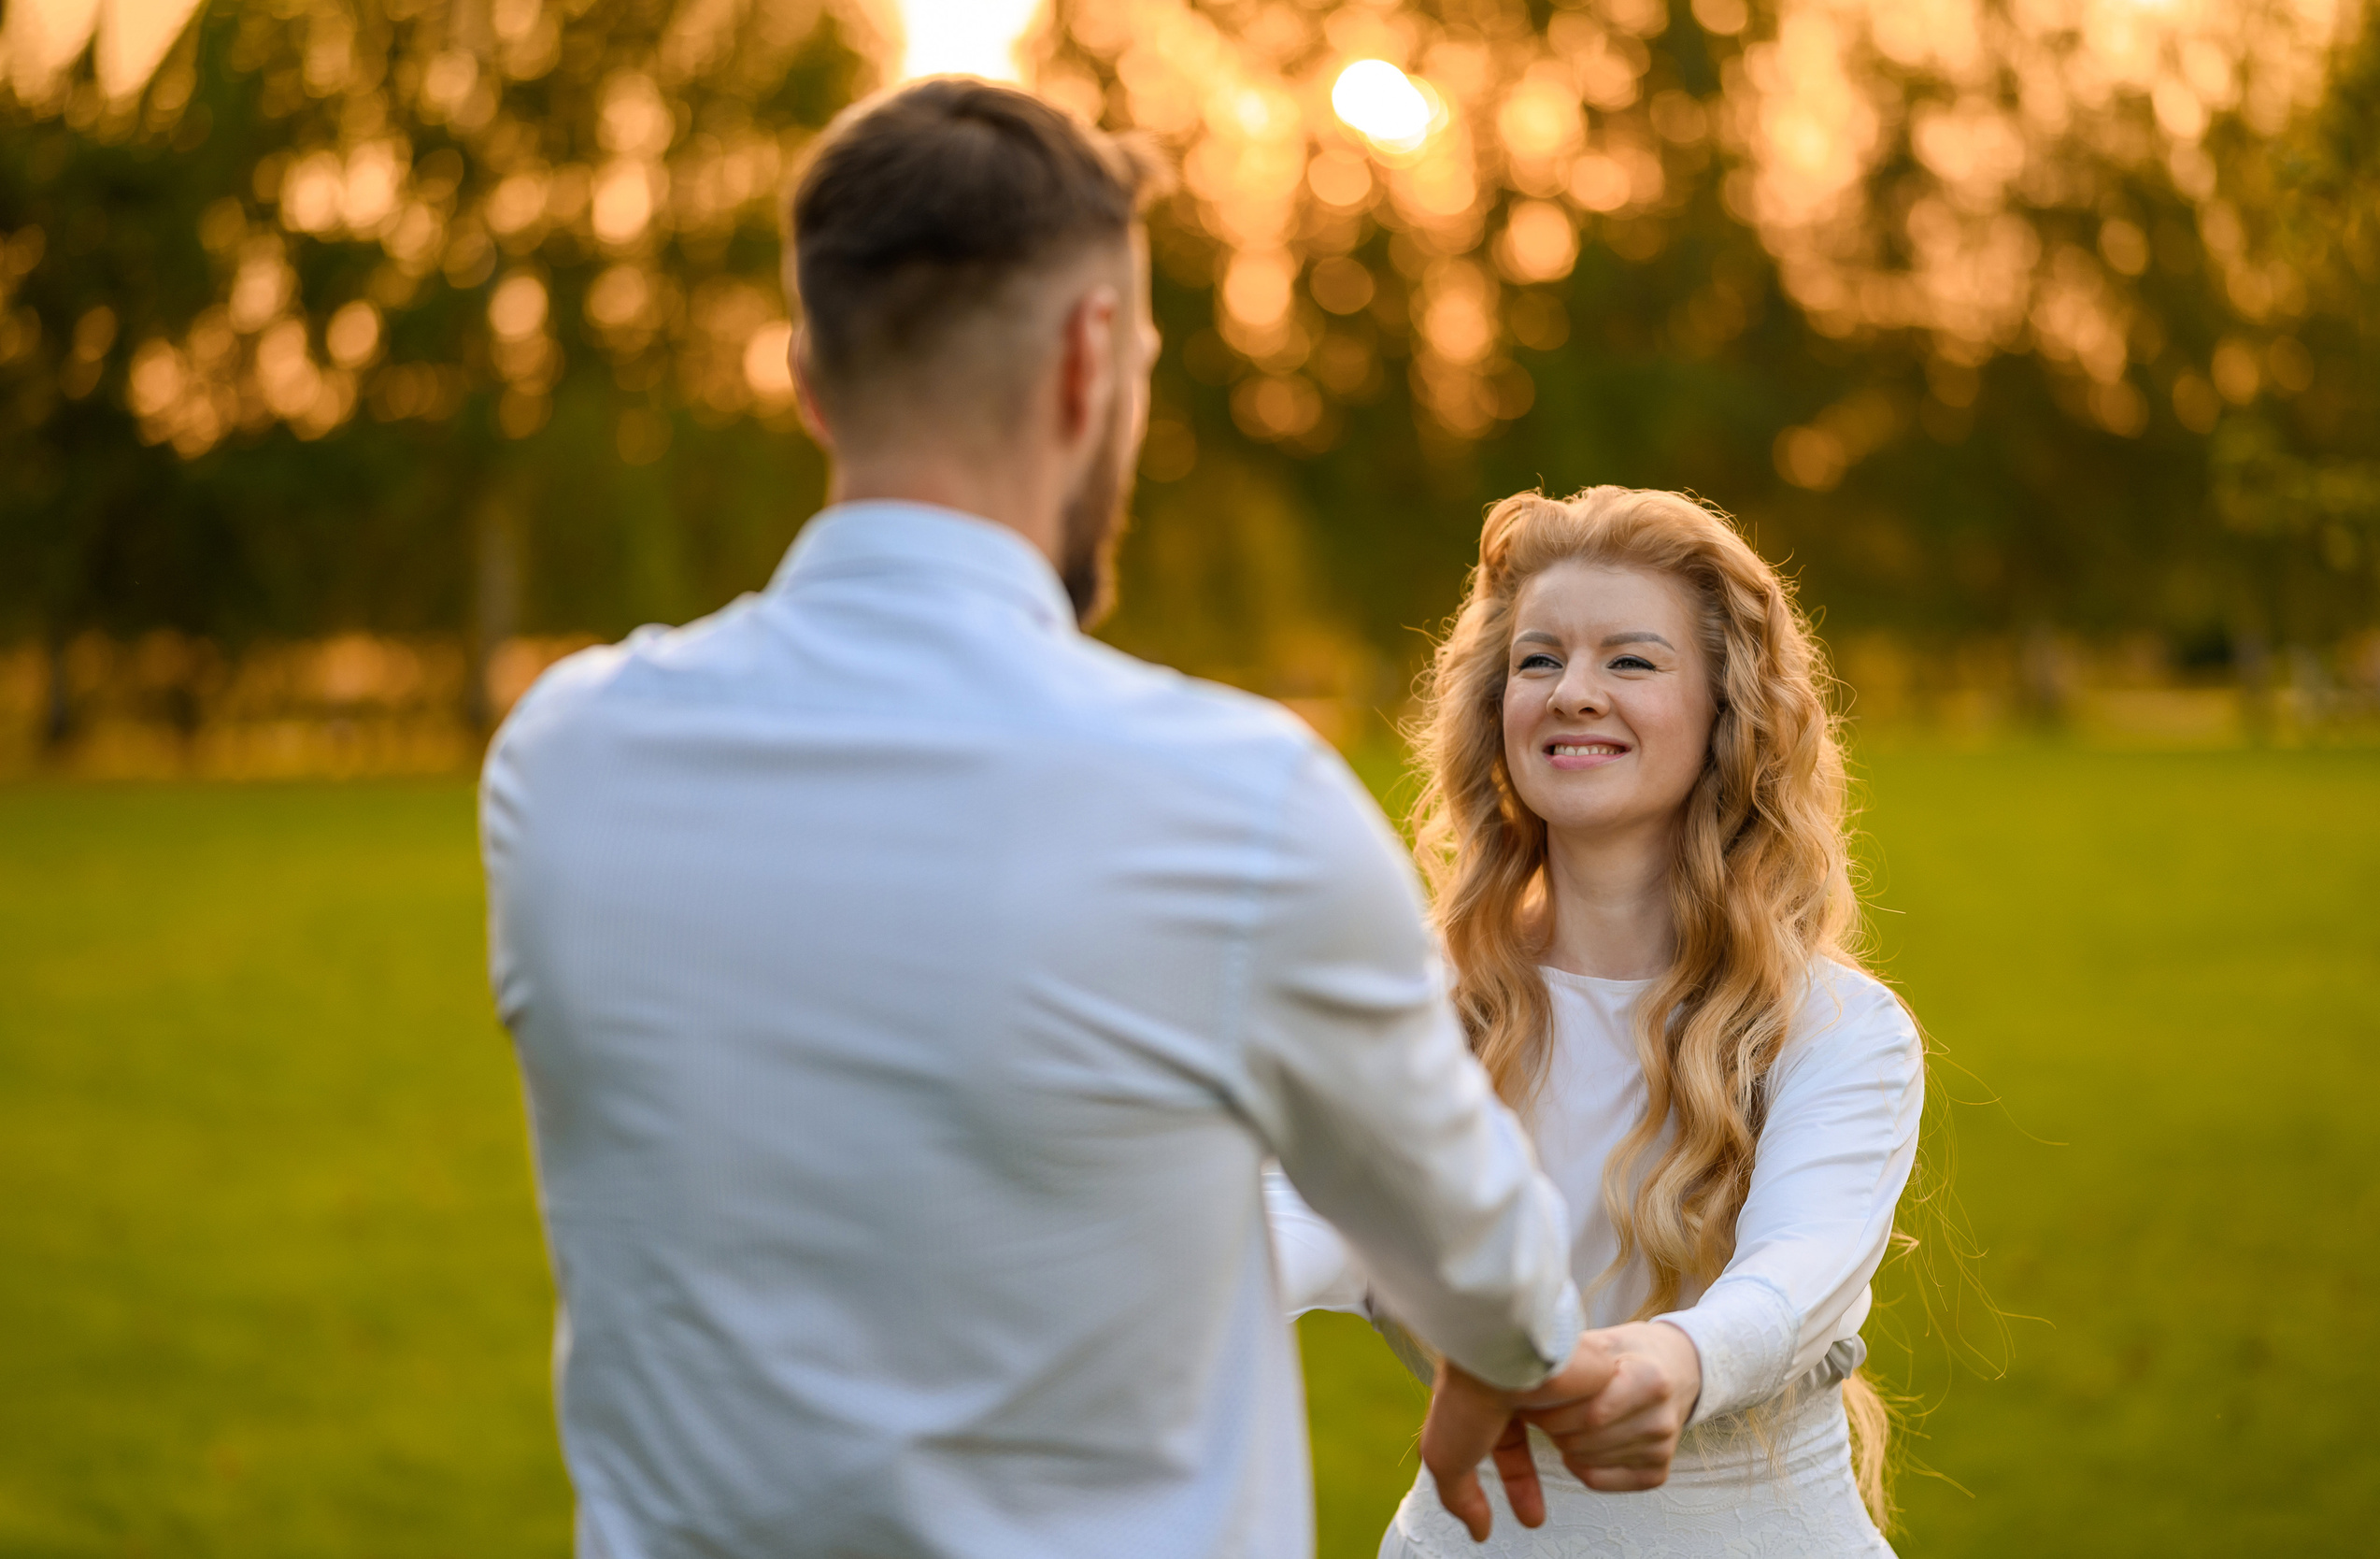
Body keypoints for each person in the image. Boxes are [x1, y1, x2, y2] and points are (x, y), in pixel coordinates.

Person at [480, 79, 1621, 1559]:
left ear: (809, 379)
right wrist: (1507, 1344)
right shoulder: (1240, 804)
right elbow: (1491, 1264)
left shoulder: (564, 761)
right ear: (1093, 363)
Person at [1270, 486, 1928, 1556]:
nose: (1573, 693)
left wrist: (1663, 1365)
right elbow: (1308, 1211)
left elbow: (1791, 1274)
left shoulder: (1841, 1031)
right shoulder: (1404, 1002)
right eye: (1538, 661)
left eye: (1629, 661)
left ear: (1728, 711)